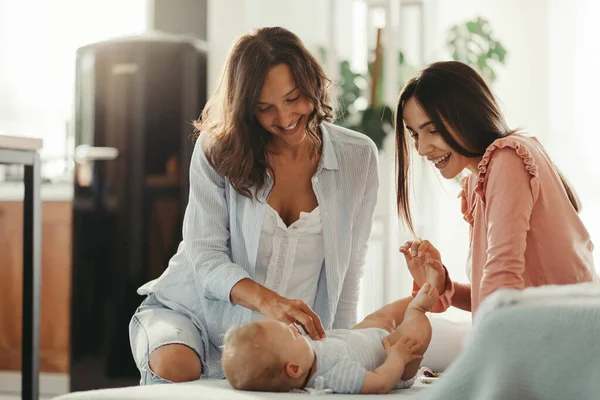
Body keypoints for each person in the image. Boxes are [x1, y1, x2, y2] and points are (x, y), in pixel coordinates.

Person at [128, 26, 380, 384]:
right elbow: (206, 257)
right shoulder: (218, 151)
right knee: (176, 367)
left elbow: (349, 270)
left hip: (274, 341)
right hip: (195, 314)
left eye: (293, 98)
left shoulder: (359, 157)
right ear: (247, 109)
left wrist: (338, 350)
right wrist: (270, 302)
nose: (285, 118)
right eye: (265, 108)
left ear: (312, 84)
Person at [395, 60, 598, 315]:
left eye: (433, 130)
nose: (422, 149)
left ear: (467, 116)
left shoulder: (507, 159)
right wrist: (443, 284)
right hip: (544, 329)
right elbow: (495, 299)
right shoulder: (477, 180)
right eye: (414, 134)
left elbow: (501, 284)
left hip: (565, 336)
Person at [222, 282, 440, 394]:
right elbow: (381, 384)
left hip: (362, 335)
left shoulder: (301, 355)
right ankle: (417, 309)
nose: (297, 331)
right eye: (292, 335)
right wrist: (398, 359)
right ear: (294, 369)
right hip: (389, 354)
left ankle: (423, 290)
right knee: (417, 330)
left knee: (378, 317)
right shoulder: (332, 376)